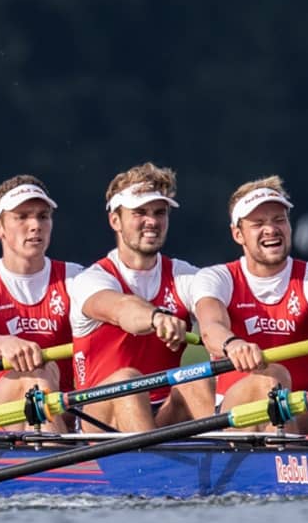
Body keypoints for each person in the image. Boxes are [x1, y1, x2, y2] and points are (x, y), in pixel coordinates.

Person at [193, 176, 308, 433]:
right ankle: (288, 460)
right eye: (258, 223)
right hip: (237, 413)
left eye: (279, 220)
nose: (271, 229)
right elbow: (210, 327)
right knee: (272, 377)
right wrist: (233, 344)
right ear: (238, 234)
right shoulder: (218, 278)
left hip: (303, 412)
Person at [68, 162, 206, 432]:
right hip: (99, 417)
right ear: (115, 220)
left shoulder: (185, 276)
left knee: (197, 379)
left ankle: (243, 466)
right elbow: (123, 310)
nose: (152, 221)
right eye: (140, 212)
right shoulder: (92, 280)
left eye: (159, 212)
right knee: (128, 382)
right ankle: (150, 469)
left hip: (163, 413)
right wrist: (157, 318)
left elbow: (215, 309)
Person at [0, 175, 82, 429]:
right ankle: (60, 464)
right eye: (22, 217)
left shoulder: (76, 278)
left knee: (45, 375)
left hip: (66, 410)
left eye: (43, 216)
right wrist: (5, 344)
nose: (35, 225)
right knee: (37, 375)